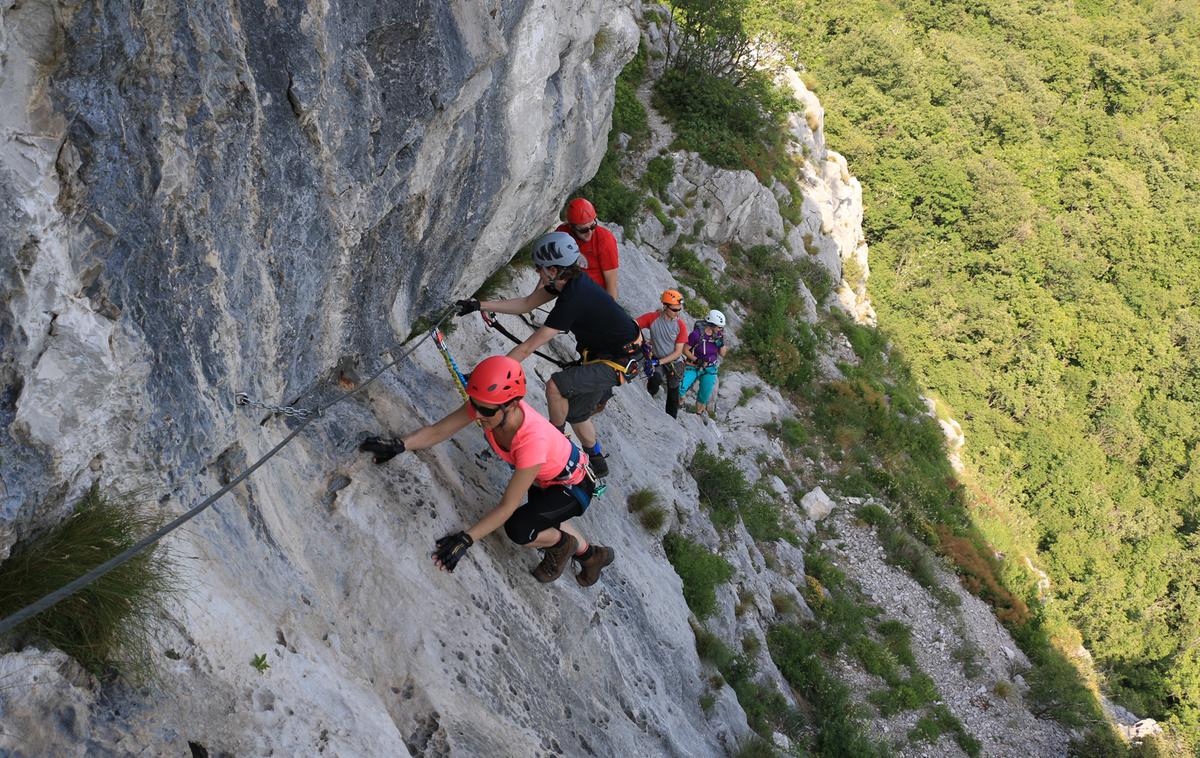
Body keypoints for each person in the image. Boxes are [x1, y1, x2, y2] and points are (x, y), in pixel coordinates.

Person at [358, 356, 615, 586]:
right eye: (475, 404)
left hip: (574, 487)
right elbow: (438, 431)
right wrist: (400, 445)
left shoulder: (531, 441)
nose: (478, 415)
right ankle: (593, 556)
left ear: (512, 404)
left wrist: (466, 539)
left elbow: (507, 506)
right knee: (544, 517)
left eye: (487, 410)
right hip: (549, 477)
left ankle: (562, 544)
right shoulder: (490, 405)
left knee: (520, 528)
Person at [454, 232, 642, 479]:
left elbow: (527, 348)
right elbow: (526, 303)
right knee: (576, 413)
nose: (537, 272)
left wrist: (486, 378)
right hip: (611, 355)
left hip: (618, 361)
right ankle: (596, 460)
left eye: (539, 268)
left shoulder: (574, 297)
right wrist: (479, 305)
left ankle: (554, 444)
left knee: (556, 387)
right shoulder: (565, 283)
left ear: (554, 269)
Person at [636, 290, 688, 418]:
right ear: (665, 306)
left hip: (674, 362)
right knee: (655, 378)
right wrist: (640, 341)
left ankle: (671, 418)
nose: (677, 313)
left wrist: (658, 362)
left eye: (679, 310)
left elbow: (677, 353)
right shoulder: (652, 318)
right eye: (674, 310)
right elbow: (635, 325)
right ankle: (648, 400)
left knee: (673, 391)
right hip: (657, 357)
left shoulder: (680, 325)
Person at [556, 197, 619, 299]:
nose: (590, 233)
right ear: (571, 227)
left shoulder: (605, 239)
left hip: (594, 296)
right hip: (568, 289)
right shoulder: (563, 233)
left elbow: (611, 286)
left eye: (593, 226)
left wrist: (607, 310)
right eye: (583, 230)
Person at [679, 310, 728, 417]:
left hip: (710, 369)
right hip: (694, 365)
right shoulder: (696, 335)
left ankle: (698, 414)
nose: (721, 329)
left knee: (704, 395)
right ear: (712, 325)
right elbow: (685, 350)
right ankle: (681, 403)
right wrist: (697, 360)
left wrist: (721, 343)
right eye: (719, 327)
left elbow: (723, 354)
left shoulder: (718, 336)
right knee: (680, 387)